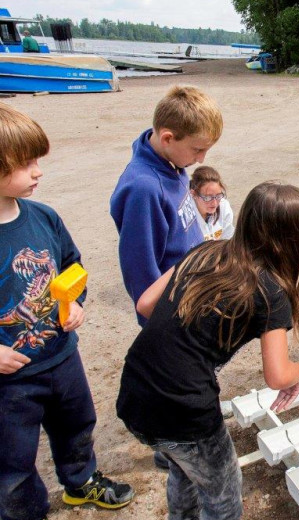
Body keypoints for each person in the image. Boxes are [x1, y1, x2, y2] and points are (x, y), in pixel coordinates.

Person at [116, 182, 299, 520]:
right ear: (297, 240)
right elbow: (278, 375)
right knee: (222, 492)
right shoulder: (271, 291)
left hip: (135, 390)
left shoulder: (204, 250)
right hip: (183, 409)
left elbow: (147, 304)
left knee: (184, 467)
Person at [0, 103, 133, 520]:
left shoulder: (43, 217)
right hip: (10, 381)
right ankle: (24, 512)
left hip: (61, 357)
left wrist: (74, 301)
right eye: (25, 163)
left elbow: (73, 267)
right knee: (12, 461)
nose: (38, 171)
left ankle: (80, 482)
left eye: (37, 160)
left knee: (78, 425)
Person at [110, 85, 222, 327]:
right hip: (172, 312)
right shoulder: (144, 189)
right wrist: (164, 324)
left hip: (192, 291)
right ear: (167, 138)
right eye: (198, 149)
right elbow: (140, 271)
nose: (201, 159)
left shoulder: (173, 162)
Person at [190, 165, 234, 241]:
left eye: (218, 196)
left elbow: (228, 239)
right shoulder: (187, 216)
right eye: (207, 198)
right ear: (194, 194)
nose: (214, 203)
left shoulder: (224, 206)